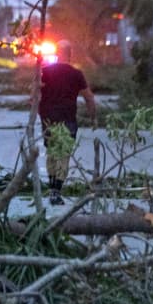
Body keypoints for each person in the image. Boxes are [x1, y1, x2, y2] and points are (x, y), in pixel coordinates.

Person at [38, 40, 97, 205]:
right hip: (68, 119)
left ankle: (52, 188)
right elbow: (89, 97)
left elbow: (34, 93)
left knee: (51, 153)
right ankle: (57, 190)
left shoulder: (45, 72)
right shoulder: (76, 74)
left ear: (58, 53)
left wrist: (38, 112)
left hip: (48, 120)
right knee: (63, 155)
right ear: (70, 54)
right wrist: (93, 117)